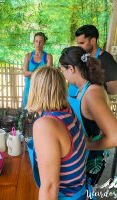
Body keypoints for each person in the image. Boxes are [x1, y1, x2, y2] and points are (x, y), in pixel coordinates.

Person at [59, 46, 117, 187]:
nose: (63, 75)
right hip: (79, 156)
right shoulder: (81, 88)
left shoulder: (92, 93)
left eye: (62, 70)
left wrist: (88, 144)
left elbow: (115, 137)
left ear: (71, 69)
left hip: (89, 160)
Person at [27, 67, 87, 199]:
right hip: (79, 189)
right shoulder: (67, 110)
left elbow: (49, 187)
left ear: (36, 90)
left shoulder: (45, 125)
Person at [75, 24, 117, 95]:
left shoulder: (107, 59)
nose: (79, 47)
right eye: (78, 44)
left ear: (93, 41)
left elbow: (114, 90)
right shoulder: (84, 56)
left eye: (82, 43)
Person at [22, 32, 53, 108]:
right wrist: (40, 73)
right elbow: (25, 73)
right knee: (26, 111)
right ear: (33, 42)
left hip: (42, 89)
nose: (38, 44)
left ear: (44, 42)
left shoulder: (48, 57)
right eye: (36, 41)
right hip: (29, 88)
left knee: (41, 110)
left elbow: (48, 74)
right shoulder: (28, 56)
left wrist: (32, 73)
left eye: (40, 41)